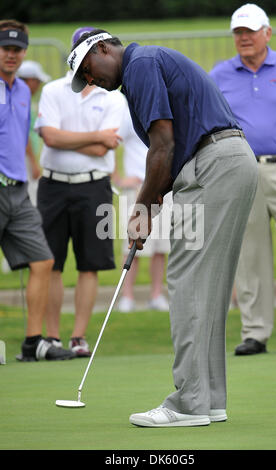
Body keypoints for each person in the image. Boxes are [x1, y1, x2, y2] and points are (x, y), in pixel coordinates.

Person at [67, 29, 258, 427]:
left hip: (212, 166)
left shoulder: (139, 64)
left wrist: (139, 208)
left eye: (88, 69)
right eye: (83, 78)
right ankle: (208, 400)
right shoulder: (145, 65)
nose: (91, 81)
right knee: (206, 288)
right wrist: (151, 204)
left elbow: (163, 145)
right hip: (229, 162)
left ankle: (188, 403)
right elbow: (168, 157)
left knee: (186, 281)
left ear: (103, 49)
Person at [210, 3, 276, 356]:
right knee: (249, 253)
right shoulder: (219, 75)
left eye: (249, 31)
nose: (244, 38)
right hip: (242, 170)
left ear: (267, 33)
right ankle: (255, 332)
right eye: (238, 33)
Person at [35, 27, 126, 357]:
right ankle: (54, 337)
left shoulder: (114, 96)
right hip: (53, 185)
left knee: (90, 264)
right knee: (51, 263)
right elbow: (50, 139)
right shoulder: (54, 89)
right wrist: (93, 138)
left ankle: (78, 337)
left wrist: (67, 137)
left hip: (95, 186)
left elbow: (105, 150)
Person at [0, 19, 74, 361]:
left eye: (17, 50)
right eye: (5, 49)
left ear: (24, 52)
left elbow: (20, 135)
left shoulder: (21, 91)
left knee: (43, 260)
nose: (11, 55)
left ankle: (32, 344)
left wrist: (30, 163)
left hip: (17, 191)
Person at [113, 102, 171, 312]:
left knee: (160, 247)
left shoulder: (165, 108)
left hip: (163, 185)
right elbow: (113, 142)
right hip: (136, 186)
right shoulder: (129, 109)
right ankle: (127, 296)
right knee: (133, 244)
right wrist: (118, 178)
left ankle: (156, 295)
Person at [17, 60, 51, 205]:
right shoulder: (20, 101)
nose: (38, 86)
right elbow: (24, 135)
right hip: (23, 159)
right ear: (29, 80)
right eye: (37, 81)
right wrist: (33, 163)